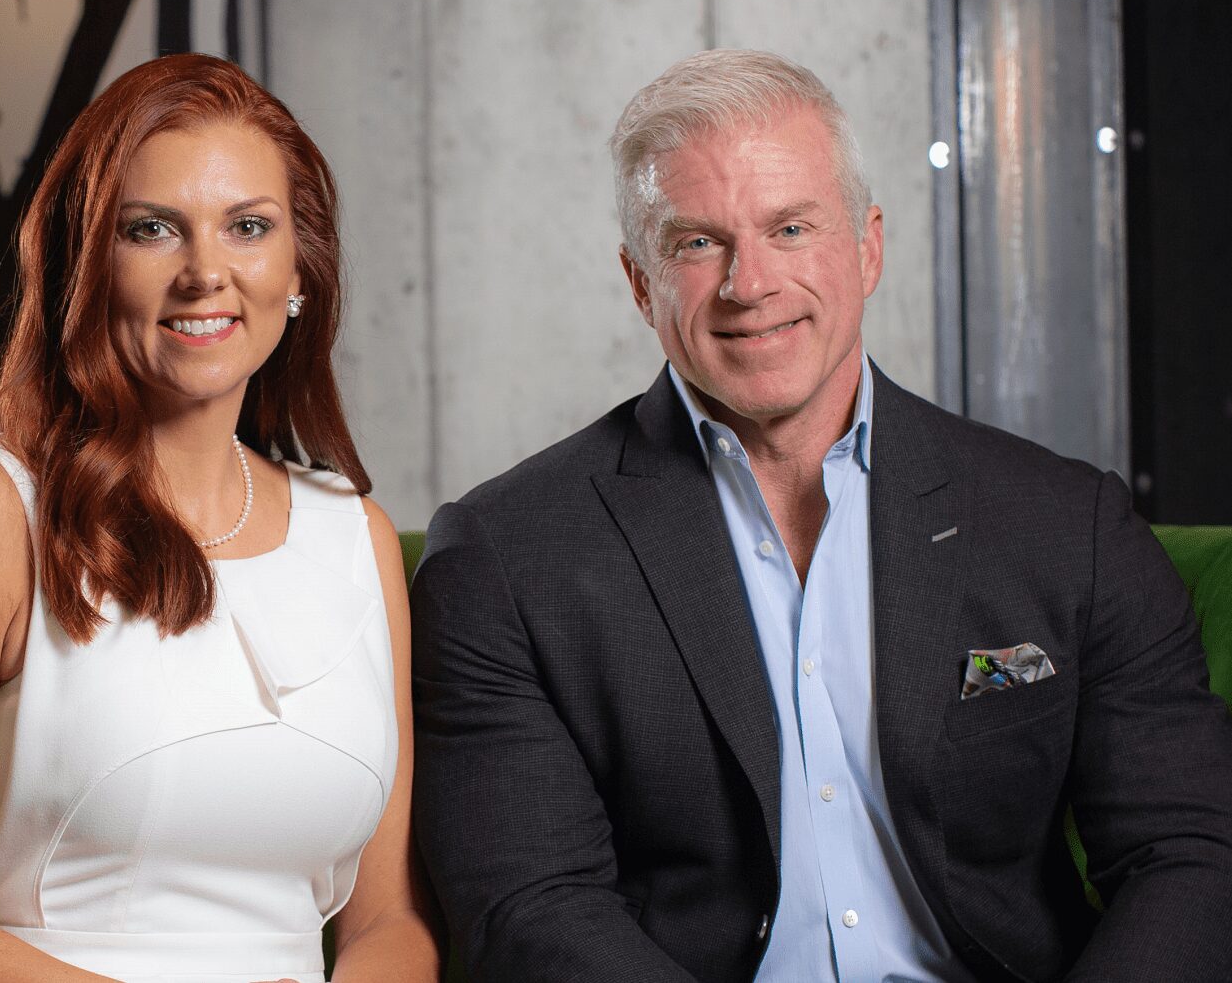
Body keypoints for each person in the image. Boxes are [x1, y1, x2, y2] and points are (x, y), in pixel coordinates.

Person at [410, 49, 1232, 982]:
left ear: (868, 246)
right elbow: (531, 905)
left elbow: (1189, 851)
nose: (747, 284)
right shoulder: (509, 558)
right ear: (640, 284)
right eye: (694, 242)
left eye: (790, 227)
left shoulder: (1067, 523)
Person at [0, 54, 440, 983]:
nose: (206, 273)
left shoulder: (356, 536)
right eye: (152, 229)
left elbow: (387, 920)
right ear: (88, 262)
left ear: (298, 266)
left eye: (248, 227)